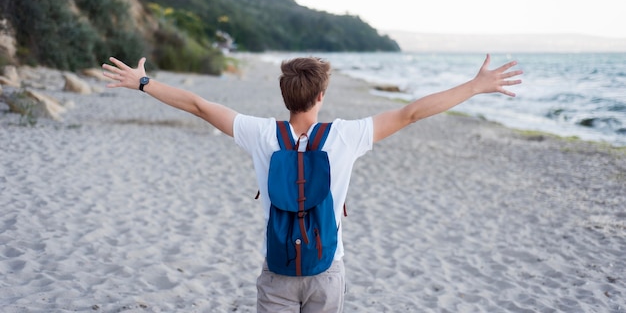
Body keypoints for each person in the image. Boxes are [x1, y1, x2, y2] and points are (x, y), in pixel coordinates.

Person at [102, 54, 522, 312]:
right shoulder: (346, 136)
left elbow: (197, 105)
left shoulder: (261, 133)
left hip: (278, 269)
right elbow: (412, 113)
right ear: (320, 97)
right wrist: (476, 86)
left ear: (286, 96)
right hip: (327, 269)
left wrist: (142, 82)